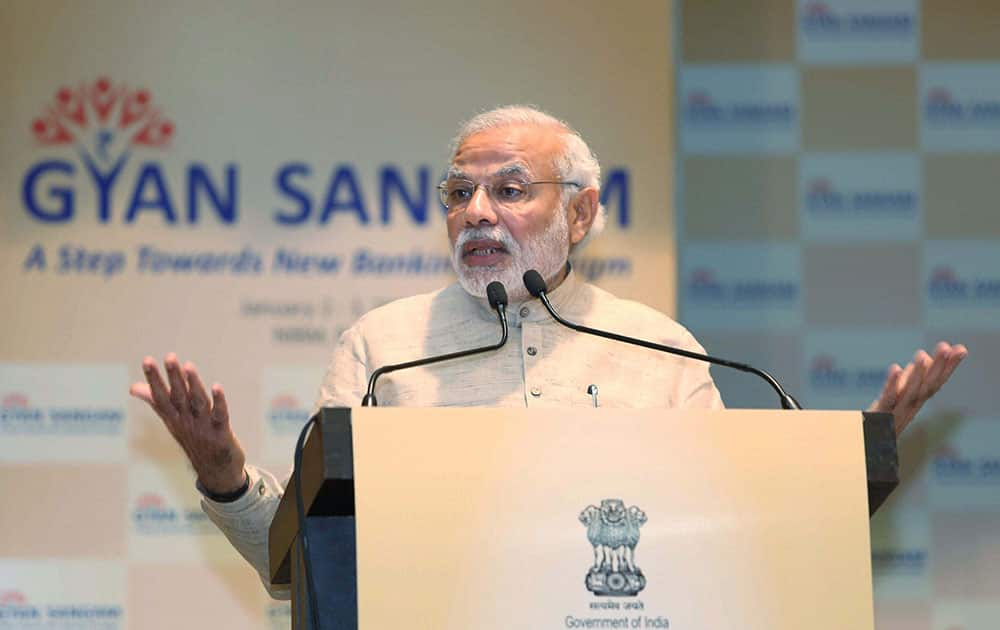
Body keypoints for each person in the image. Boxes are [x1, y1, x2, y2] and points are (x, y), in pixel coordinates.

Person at [129, 106, 967, 596]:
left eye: (510, 189)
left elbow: (739, 548)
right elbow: (301, 573)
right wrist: (224, 475)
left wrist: (852, 466)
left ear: (582, 212)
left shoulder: (660, 349)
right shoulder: (382, 349)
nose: (478, 212)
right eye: (460, 192)